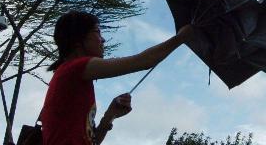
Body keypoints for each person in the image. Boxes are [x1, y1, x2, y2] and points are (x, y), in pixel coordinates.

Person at [41, 10, 193, 145]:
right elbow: (144, 61)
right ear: (78, 40)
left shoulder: (71, 76)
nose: (103, 40)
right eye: (97, 32)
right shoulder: (75, 68)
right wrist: (181, 37)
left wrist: (109, 116)